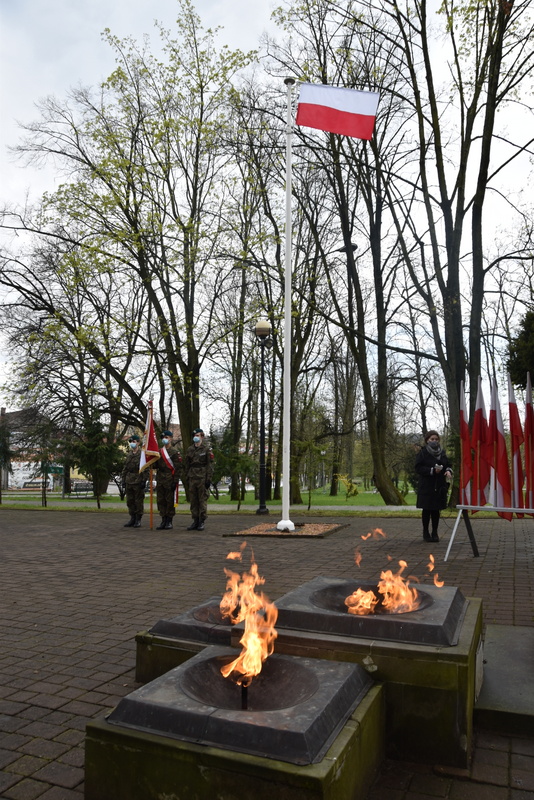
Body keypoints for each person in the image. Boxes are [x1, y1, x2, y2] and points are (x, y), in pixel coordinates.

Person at [415, 430, 453, 543]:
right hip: (426, 486)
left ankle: (435, 532)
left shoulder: (442, 453)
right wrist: (432, 470)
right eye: (432, 439)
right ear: (427, 440)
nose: (434, 441)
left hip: (439, 485)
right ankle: (425, 532)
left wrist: (448, 471)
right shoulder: (422, 453)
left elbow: (448, 465)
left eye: (436, 439)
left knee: (436, 510)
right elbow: (418, 468)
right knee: (426, 510)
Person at [184, 428, 214, 531]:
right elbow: (187, 464)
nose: (195, 437)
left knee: (202, 500)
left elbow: (210, 465)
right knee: (193, 500)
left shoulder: (206, 450)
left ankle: (202, 521)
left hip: (202, 477)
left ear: (202, 436)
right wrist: (187, 477)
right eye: (194, 436)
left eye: (197, 435)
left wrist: (208, 479)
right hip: (192, 477)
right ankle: (195, 520)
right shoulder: (190, 449)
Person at [155, 430, 182, 530]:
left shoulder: (174, 452)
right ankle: (163, 520)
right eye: (163, 438)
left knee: (169, 500)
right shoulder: (159, 452)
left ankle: (169, 521)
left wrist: (175, 481)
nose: (164, 440)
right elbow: (155, 465)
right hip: (160, 477)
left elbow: (178, 468)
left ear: (171, 438)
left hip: (170, 478)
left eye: (166, 437)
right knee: (161, 500)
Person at [121, 434, 145, 528]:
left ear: (138, 443)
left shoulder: (142, 454)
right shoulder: (129, 454)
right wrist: (123, 480)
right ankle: (132, 518)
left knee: (138, 501)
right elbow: (125, 468)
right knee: (130, 501)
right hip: (129, 480)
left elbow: (145, 469)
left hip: (138, 480)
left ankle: (138, 519)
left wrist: (144, 480)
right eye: (130, 442)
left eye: (134, 442)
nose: (132, 444)